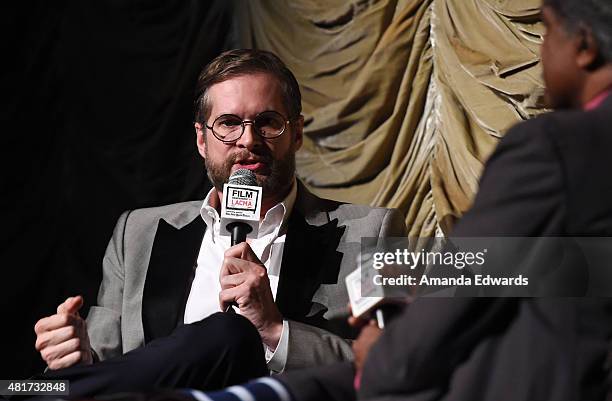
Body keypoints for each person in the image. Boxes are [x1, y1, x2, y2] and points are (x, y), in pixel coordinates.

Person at [245, 0, 612, 400]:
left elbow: (469, 287)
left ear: (585, 45)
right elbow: (579, 265)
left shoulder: (559, 145)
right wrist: (421, 275)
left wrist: (384, 358)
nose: (542, 52)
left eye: (549, 31)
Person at [31, 49, 407, 397]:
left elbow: (395, 368)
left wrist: (273, 329)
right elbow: (114, 366)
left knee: (229, 332)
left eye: (268, 122)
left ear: (296, 133)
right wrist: (78, 358)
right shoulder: (137, 233)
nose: (248, 140)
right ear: (201, 140)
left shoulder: (372, 231)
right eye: (228, 124)